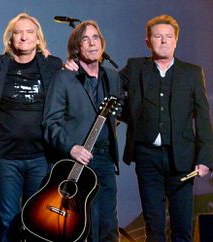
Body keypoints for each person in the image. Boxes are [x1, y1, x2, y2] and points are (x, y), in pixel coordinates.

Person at [120, 14, 213, 241]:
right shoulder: (135, 67)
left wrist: (206, 159)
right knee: (154, 225)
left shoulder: (192, 72)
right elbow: (106, 85)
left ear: (176, 40)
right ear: (148, 41)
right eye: (157, 36)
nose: (163, 41)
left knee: (182, 227)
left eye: (168, 36)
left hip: (182, 159)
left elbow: (202, 117)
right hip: (147, 157)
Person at [0, 12, 62, 242]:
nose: (24, 37)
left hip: (40, 156)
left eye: (29, 32)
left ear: (38, 39)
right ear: (10, 38)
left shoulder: (52, 66)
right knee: (8, 218)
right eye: (18, 32)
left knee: (37, 220)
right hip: (5, 156)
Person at [43, 20, 121, 242]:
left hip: (105, 160)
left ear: (102, 44)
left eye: (95, 38)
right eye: (85, 39)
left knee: (108, 223)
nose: (92, 44)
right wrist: (72, 148)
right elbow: (50, 124)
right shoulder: (64, 77)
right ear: (77, 48)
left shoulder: (112, 77)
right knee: (83, 225)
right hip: (78, 163)